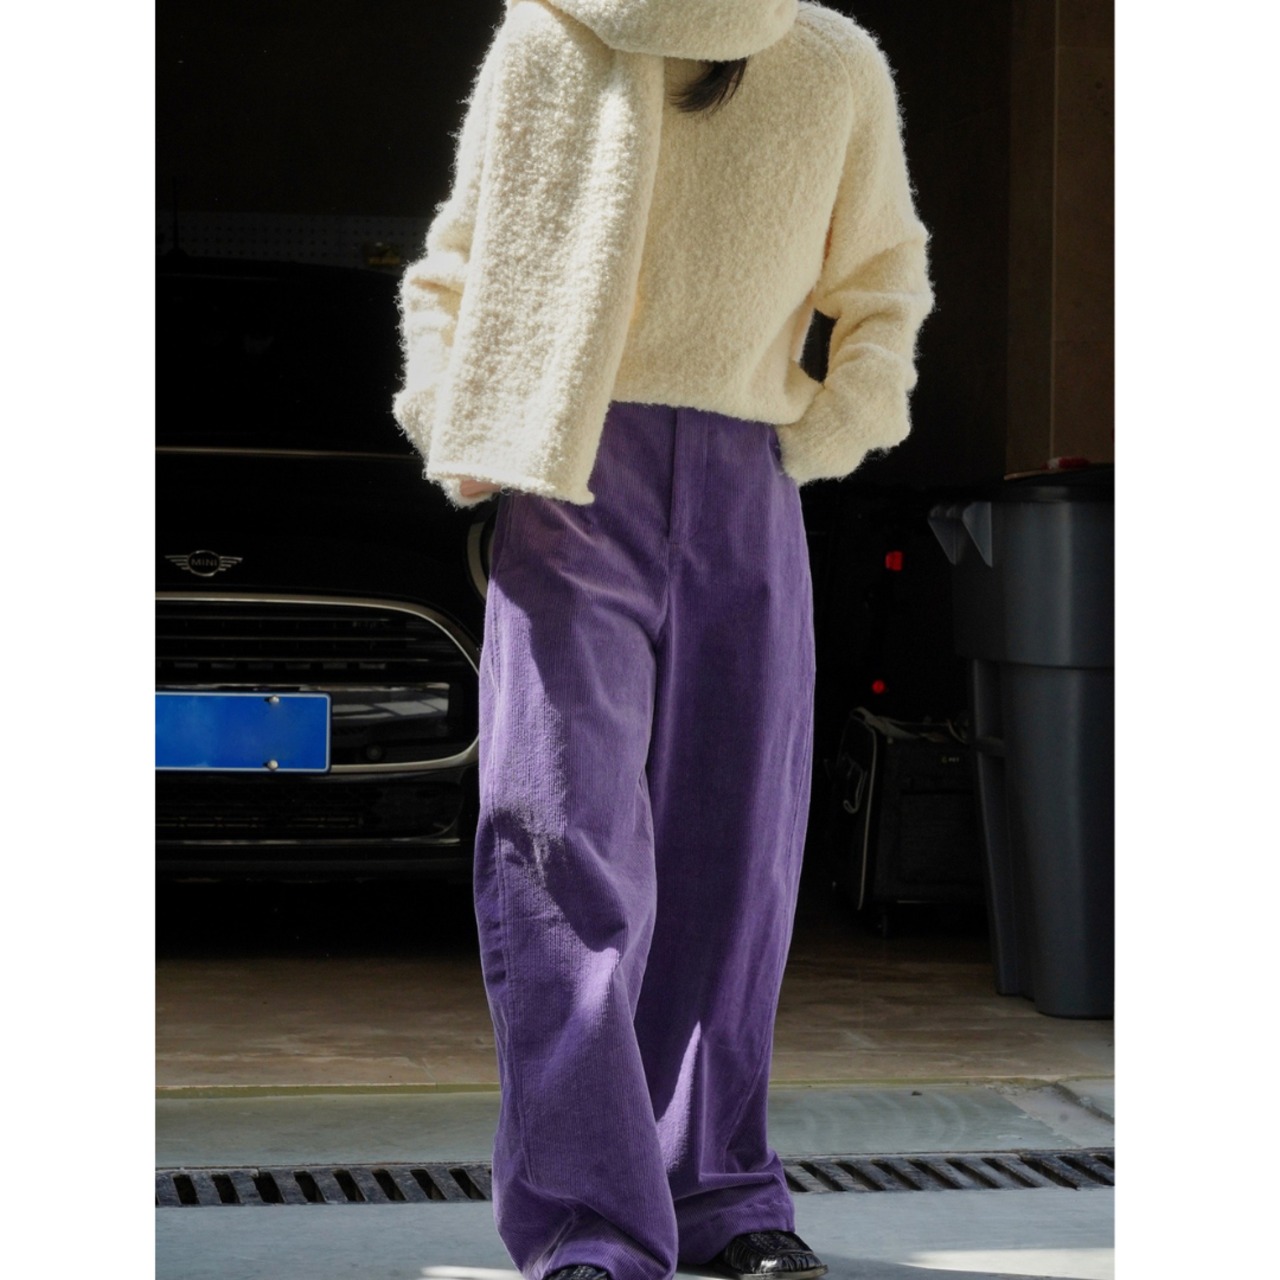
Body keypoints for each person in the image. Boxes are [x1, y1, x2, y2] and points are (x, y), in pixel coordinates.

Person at [394, 1, 932, 1277]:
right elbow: (453, 264)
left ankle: (720, 1194)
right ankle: (586, 1220)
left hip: (745, 473)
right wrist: (452, 416)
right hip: (570, 470)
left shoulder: (827, 61)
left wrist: (822, 432)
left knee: (734, 846)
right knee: (558, 838)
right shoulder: (551, 40)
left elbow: (882, 280)